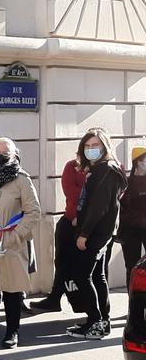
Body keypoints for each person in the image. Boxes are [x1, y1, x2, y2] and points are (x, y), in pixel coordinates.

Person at [0, 137, 42, 348]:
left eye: (6, 152)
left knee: (12, 291)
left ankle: (12, 331)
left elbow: (33, 211)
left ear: (15, 155)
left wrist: (17, 235)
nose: (0, 156)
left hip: (11, 243)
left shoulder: (22, 179)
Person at [67, 128, 126, 340]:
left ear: (105, 147)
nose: (91, 149)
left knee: (83, 276)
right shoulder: (102, 169)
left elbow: (98, 207)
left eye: (96, 146)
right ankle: (102, 321)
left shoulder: (105, 171)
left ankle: (95, 320)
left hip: (96, 233)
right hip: (101, 232)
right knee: (97, 276)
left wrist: (84, 233)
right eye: (88, 146)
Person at [30, 153, 86, 312]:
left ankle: (91, 306)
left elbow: (106, 196)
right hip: (69, 221)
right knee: (62, 263)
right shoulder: (72, 166)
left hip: (92, 226)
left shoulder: (106, 169)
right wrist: (88, 194)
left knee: (89, 269)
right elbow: (71, 193)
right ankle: (54, 298)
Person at [119, 147, 146, 289]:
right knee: (131, 266)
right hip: (130, 230)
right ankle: (132, 301)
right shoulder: (127, 183)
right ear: (138, 162)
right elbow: (119, 205)